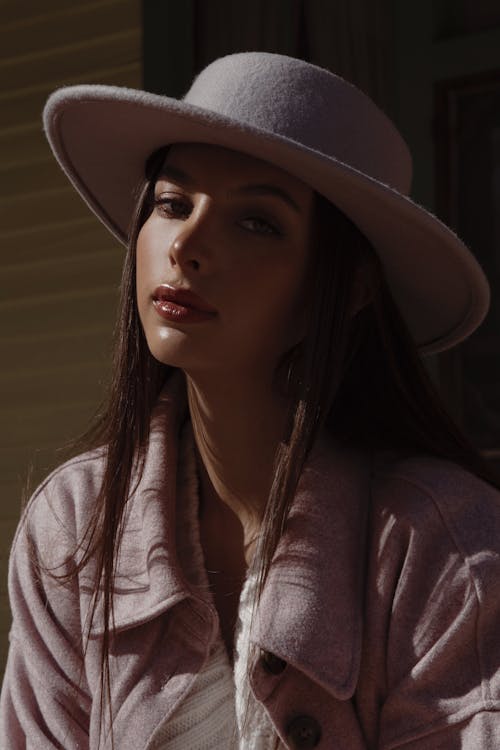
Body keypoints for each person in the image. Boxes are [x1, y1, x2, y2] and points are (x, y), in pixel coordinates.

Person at [1, 51, 499, 750]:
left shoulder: (444, 546)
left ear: (348, 287)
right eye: (172, 204)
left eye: (257, 222)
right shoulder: (74, 528)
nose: (187, 245)